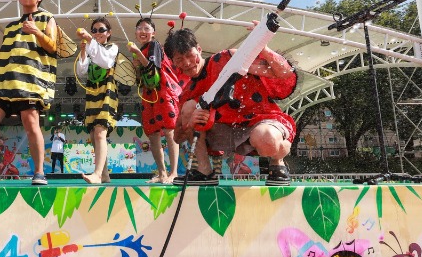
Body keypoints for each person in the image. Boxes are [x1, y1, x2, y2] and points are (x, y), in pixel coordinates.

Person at [165, 27, 297, 186]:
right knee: (189, 108)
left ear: (199, 49)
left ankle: (277, 161)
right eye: (179, 59)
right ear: (173, 62)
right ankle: (204, 171)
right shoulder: (188, 91)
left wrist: (264, 49)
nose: (186, 63)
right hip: (226, 131)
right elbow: (177, 137)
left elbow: (284, 73)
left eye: (189, 55)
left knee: (267, 140)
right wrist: (190, 124)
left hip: (261, 121)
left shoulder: (228, 58)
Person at [0, 0, 58, 185]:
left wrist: (36, 31)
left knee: (30, 121)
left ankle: (39, 172)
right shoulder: (12, 26)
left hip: (29, 79)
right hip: (4, 80)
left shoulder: (47, 18)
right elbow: (6, 54)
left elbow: (52, 47)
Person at [129, 18, 185, 184]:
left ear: (153, 33)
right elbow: (141, 78)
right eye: (139, 28)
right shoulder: (141, 49)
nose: (142, 31)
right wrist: (136, 65)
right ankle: (161, 173)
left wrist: (139, 55)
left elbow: (153, 67)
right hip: (149, 94)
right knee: (152, 134)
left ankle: (173, 173)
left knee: (169, 130)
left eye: (146, 28)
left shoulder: (154, 45)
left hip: (164, 90)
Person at [76, 17, 119, 184]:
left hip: (107, 92)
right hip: (92, 94)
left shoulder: (112, 47)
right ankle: (105, 174)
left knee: (100, 131)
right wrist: (83, 51)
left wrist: (89, 40)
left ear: (109, 33)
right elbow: (81, 72)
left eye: (101, 30)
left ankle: (97, 174)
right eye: (94, 30)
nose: (97, 33)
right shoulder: (90, 48)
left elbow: (106, 62)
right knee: (94, 135)